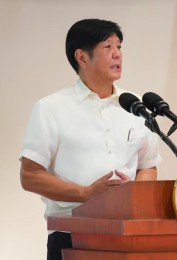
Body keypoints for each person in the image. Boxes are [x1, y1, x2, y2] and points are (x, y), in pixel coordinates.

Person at [19, 19, 161, 260]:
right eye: (108, 48)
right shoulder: (51, 108)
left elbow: (148, 165)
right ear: (82, 58)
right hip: (71, 233)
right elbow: (30, 176)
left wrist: (135, 195)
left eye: (119, 47)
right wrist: (86, 193)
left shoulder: (136, 106)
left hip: (127, 234)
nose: (117, 55)